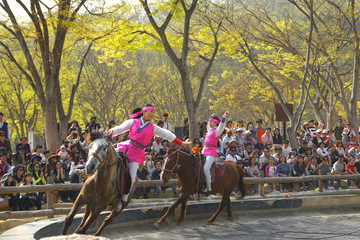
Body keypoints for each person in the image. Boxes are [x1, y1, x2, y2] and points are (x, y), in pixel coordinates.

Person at [107, 104, 190, 211]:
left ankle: (123, 199)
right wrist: (106, 134)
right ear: (144, 112)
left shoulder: (154, 128)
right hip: (127, 146)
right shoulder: (133, 122)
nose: (153, 114)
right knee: (107, 157)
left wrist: (180, 143)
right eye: (151, 112)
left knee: (132, 177)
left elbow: (167, 134)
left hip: (137, 154)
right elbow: (119, 129)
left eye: (154, 113)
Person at [201, 111, 229, 192]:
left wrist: (224, 117)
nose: (210, 123)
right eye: (210, 122)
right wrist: (211, 116)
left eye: (212, 122)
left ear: (216, 123)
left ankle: (209, 187)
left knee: (206, 168)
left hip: (211, 153)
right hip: (204, 150)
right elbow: (207, 125)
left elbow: (222, 126)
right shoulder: (209, 129)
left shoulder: (217, 131)